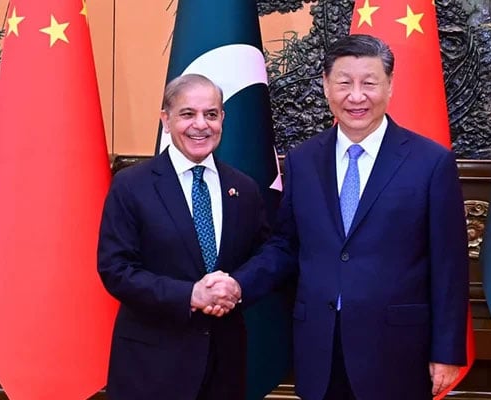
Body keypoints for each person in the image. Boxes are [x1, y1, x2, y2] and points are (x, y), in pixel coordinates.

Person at [200, 34, 469, 399]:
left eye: (369, 83)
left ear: (390, 85)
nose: (356, 96)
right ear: (326, 86)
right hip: (319, 350)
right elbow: (285, 247)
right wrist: (238, 284)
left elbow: (449, 266)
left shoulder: (431, 162)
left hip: (397, 352)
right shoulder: (302, 160)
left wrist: (447, 351)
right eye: (344, 83)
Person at [97, 73, 267, 400]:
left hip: (224, 369)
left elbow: (266, 255)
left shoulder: (244, 188)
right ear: (166, 119)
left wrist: (238, 286)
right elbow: (115, 270)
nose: (200, 125)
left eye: (211, 114)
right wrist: (190, 295)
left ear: (222, 119)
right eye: (188, 114)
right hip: (151, 369)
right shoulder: (132, 186)